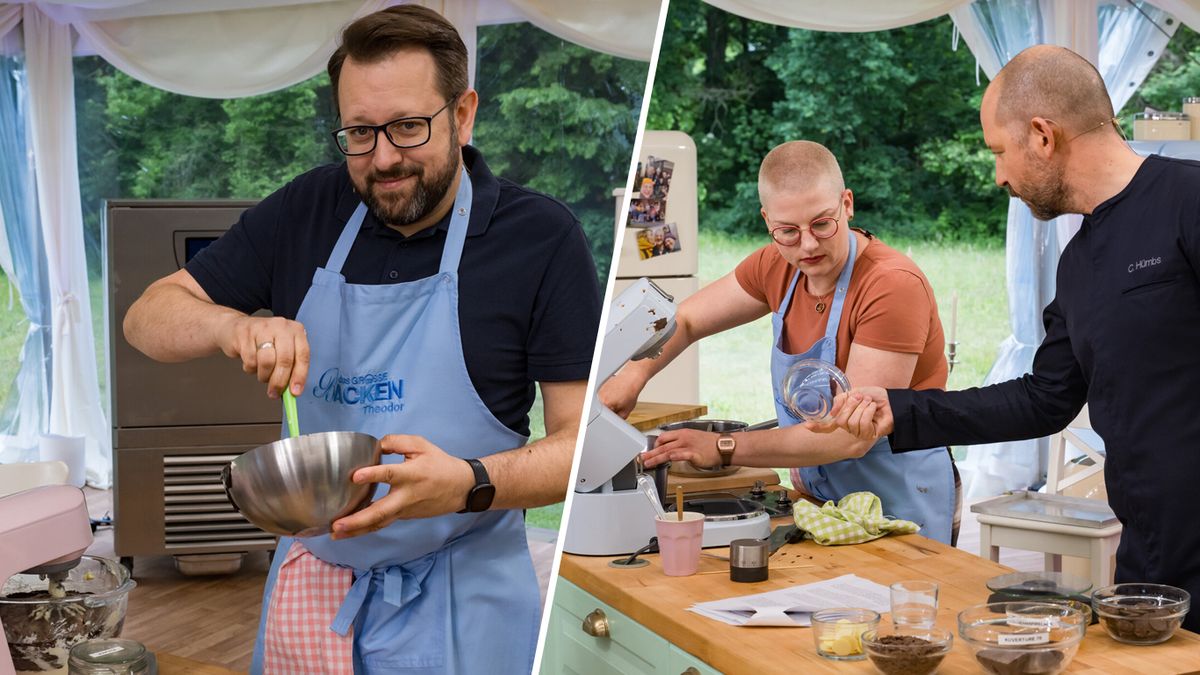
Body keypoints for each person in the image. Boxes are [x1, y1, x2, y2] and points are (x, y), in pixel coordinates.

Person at [122, 6, 600, 672]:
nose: (382, 158)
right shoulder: (307, 210)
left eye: (407, 127)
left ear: (463, 114)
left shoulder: (540, 238)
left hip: (462, 597)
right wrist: (232, 324)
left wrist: (468, 481)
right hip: (315, 583)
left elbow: (578, 446)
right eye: (358, 132)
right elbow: (147, 316)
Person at [815, 44, 1200, 632]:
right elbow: (1042, 399)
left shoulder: (1189, 201)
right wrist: (901, 408)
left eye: (1000, 150)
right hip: (1151, 564)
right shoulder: (1078, 262)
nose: (998, 175)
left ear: (1042, 136)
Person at [602, 140, 958, 544]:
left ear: (847, 203)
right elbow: (683, 320)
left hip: (901, 502)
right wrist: (632, 376)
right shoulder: (776, 266)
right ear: (766, 220)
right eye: (787, 231)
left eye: (822, 223)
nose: (807, 245)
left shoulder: (891, 285)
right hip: (822, 500)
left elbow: (850, 436)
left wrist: (722, 446)